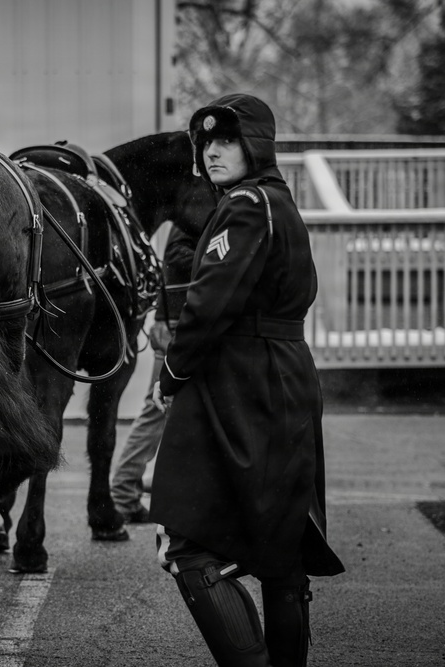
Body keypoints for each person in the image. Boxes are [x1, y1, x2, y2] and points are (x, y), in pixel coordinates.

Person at [149, 94, 345, 667]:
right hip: (284, 377)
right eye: (206, 142)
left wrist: (173, 371)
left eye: (227, 140)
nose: (212, 151)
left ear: (255, 144)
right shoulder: (276, 202)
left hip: (239, 379)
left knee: (187, 543)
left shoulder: (246, 205)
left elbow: (209, 304)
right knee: (281, 547)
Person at [110, 220, 201, 523]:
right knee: (158, 407)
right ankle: (124, 491)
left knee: (160, 408)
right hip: (181, 322)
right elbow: (175, 256)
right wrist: (222, 256)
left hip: (175, 320)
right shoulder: (200, 212)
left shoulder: (201, 212)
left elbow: (170, 261)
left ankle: (127, 489)